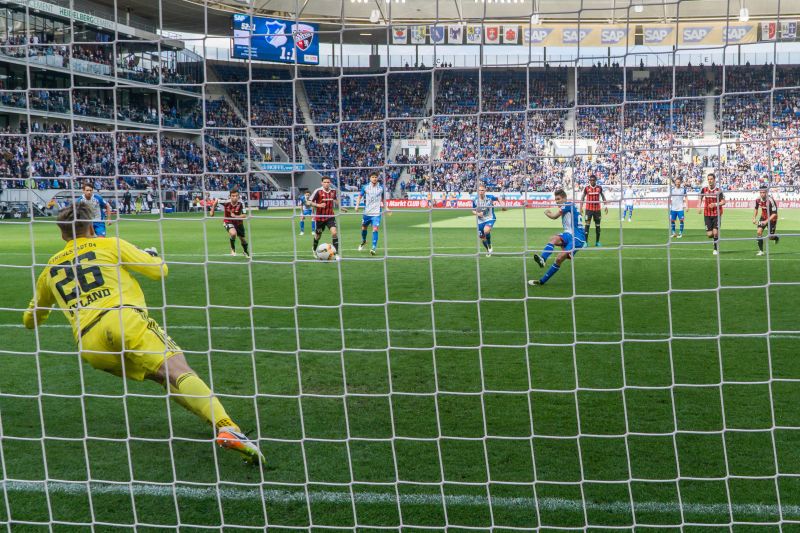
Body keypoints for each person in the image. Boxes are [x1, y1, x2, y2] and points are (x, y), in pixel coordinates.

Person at [22, 203, 264, 465]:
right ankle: (227, 425)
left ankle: (216, 426)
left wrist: (34, 314)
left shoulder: (50, 269)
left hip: (90, 346)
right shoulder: (109, 244)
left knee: (162, 377)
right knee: (177, 369)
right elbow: (159, 270)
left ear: (62, 235)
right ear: (92, 226)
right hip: (122, 318)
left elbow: (32, 319)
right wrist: (152, 255)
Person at [528, 189, 586, 286]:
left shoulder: (567, 204)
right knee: (553, 239)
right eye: (555, 199)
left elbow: (554, 216)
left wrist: (547, 212)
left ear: (564, 198)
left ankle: (542, 281)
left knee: (559, 258)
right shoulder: (570, 205)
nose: (557, 201)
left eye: (558, 199)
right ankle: (543, 259)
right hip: (569, 234)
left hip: (577, 238)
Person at [310, 176, 346, 259]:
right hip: (320, 218)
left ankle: (336, 253)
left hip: (330, 216)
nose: (326, 184)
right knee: (318, 235)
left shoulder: (333, 191)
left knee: (334, 233)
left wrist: (341, 207)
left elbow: (335, 200)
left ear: (330, 183)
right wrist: (318, 205)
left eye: (328, 182)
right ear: (322, 183)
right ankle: (314, 249)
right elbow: (309, 202)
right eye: (325, 182)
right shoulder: (318, 191)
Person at [354, 173, 388, 255]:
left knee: (375, 229)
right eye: (372, 177)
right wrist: (357, 205)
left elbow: (383, 199)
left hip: (376, 212)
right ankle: (364, 241)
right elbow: (359, 196)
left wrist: (386, 208)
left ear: (377, 178)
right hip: (367, 212)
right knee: (363, 228)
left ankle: (373, 248)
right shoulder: (365, 187)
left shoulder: (381, 188)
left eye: (376, 177)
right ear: (370, 178)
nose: (374, 178)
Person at [471, 184, 506, 256]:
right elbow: (473, 210)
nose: (481, 192)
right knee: (482, 238)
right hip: (480, 220)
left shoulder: (490, 197)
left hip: (490, 218)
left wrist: (502, 205)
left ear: (485, 191)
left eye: (482, 190)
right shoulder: (475, 199)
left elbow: (498, 198)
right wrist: (478, 214)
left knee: (486, 230)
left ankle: (489, 245)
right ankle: (488, 250)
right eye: (480, 190)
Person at [699, 173, 725, 255]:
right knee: (710, 234)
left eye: (711, 179)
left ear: (714, 180)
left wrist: (715, 204)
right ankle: (715, 239)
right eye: (708, 179)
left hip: (717, 214)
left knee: (715, 232)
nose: (710, 180)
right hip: (707, 214)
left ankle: (715, 249)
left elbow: (723, 202)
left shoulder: (718, 190)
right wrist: (698, 206)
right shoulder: (704, 189)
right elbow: (700, 197)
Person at [581, 174, 607, 247]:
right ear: (589, 181)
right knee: (587, 226)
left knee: (598, 226)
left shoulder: (599, 188)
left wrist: (605, 206)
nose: (592, 181)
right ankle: (585, 242)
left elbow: (603, 196)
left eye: (593, 180)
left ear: (595, 180)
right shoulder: (586, 188)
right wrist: (581, 207)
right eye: (590, 180)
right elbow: (583, 197)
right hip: (588, 210)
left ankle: (597, 242)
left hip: (597, 210)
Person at [753, 186, 779, 256]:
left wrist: (766, 221)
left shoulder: (771, 200)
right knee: (759, 232)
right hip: (763, 217)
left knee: (770, 237)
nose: (762, 194)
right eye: (761, 192)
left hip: (772, 219)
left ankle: (776, 237)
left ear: (767, 193)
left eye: (763, 192)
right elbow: (756, 208)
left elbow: (774, 214)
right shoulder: (758, 200)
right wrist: (754, 217)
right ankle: (761, 251)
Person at [223, 188, 249, 257]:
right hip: (228, 221)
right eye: (233, 196)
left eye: (236, 196)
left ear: (238, 196)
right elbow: (216, 201)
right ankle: (232, 249)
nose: (234, 197)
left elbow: (244, 215)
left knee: (243, 240)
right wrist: (212, 211)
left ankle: (245, 251)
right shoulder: (226, 202)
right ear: (230, 196)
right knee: (233, 233)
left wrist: (235, 216)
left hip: (239, 223)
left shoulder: (241, 203)